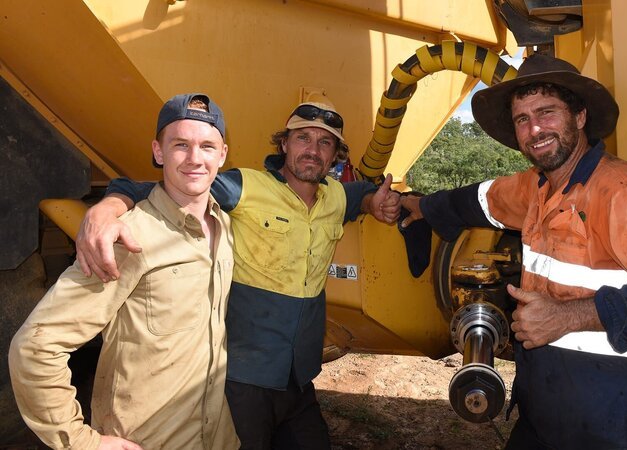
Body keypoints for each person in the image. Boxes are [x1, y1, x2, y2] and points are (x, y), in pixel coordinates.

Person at [400, 54, 627, 449]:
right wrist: (421, 206)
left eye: (546, 113)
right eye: (522, 120)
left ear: (579, 117)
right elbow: (481, 199)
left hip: (610, 410)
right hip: (542, 399)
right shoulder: (537, 187)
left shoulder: (623, 193)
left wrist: (565, 316)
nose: (534, 130)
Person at [76, 95, 401, 449]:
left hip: (299, 377)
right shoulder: (246, 187)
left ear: (335, 155)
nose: (313, 150)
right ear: (284, 143)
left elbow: (364, 193)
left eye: (325, 143)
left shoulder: (335, 196)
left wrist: (375, 202)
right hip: (243, 379)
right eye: (303, 138)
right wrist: (107, 207)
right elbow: (167, 188)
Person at [8, 93, 239, 449]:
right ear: (158, 152)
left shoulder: (222, 226)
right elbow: (35, 348)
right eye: (180, 145)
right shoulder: (128, 237)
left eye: (207, 146)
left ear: (222, 155)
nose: (195, 158)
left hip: (217, 438)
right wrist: (84, 443)